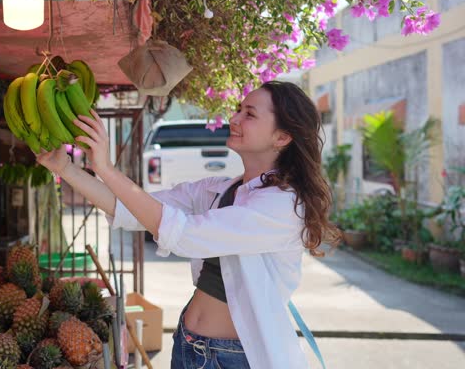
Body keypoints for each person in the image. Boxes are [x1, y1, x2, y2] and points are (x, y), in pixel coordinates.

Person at [36, 81, 341, 369]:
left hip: (232, 357)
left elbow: (182, 235)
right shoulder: (220, 189)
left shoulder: (281, 205)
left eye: (249, 114)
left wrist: (105, 167)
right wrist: (66, 168)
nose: (234, 118)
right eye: (238, 109)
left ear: (282, 137)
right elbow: (129, 209)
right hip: (188, 343)